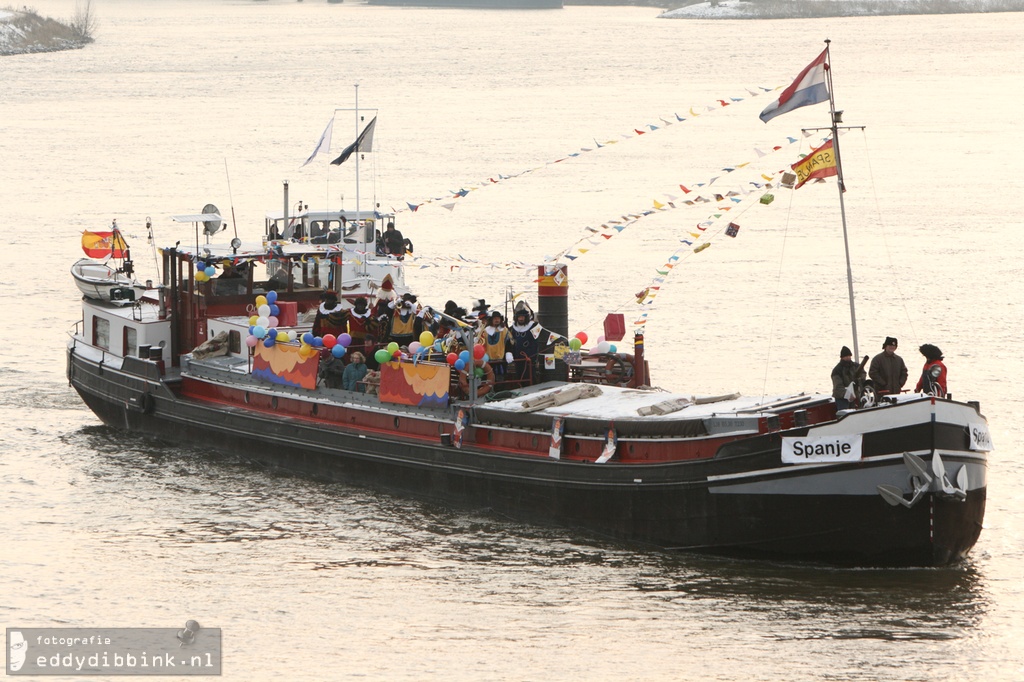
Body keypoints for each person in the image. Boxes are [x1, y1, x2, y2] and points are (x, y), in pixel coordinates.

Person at [831, 346, 866, 411]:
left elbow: (863, 373)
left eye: (849, 356)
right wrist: (847, 394)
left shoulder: (856, 366)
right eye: (846, 356)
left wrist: (860, 380)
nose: (848, 357)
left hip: (855, 396)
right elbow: (838, 386)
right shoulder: (837, 370)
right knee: (844, 414)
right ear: (842, 357)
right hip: (842, 398)